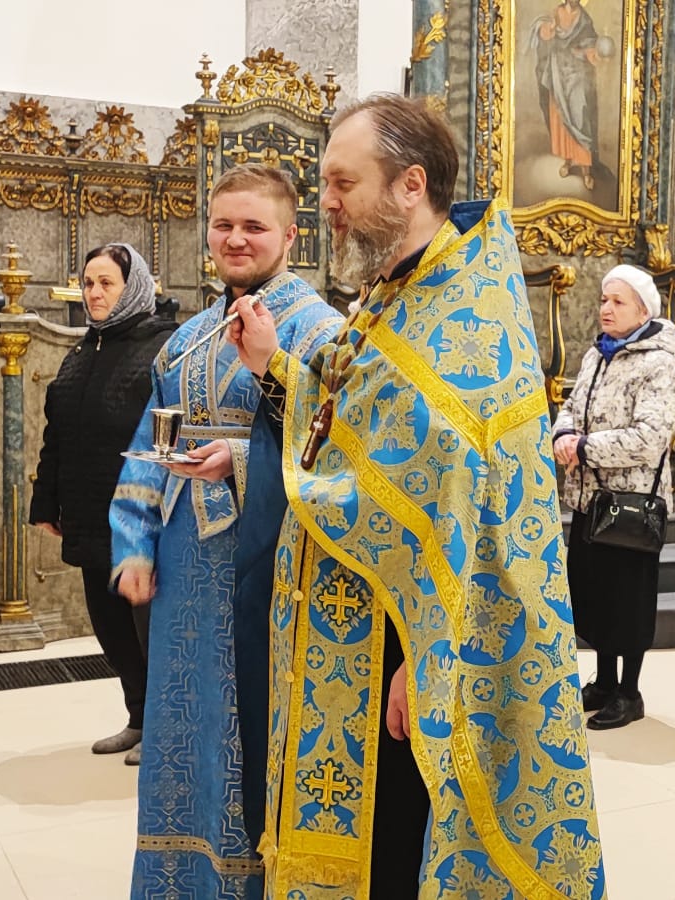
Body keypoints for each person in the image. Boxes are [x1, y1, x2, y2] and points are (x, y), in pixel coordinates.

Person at [229, 93, 606, 898]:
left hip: (405, 647)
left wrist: (426, 657)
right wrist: (279, 367)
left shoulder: (465, 310)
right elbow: (357, 430)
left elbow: (465, 511)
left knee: (398, 847)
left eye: (342, 182)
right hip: (354, 631)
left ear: (410, 185)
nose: (326, 203)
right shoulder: (398, 289)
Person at [110, 164, 340, 900]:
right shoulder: (185, 338)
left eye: (254, 226)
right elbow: (149, 444)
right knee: (183, 731)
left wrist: (239, 459)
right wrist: (133, 545)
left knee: (249, 733)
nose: (236, 239)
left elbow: (339, 453)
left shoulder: (320, 332)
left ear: (291, 235)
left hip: (266, 569)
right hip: (182, 571)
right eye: (223, 225)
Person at [30, 243, 177, 766]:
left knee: (149, 630)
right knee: (111, 629)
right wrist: (46, 500)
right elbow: (57, 434)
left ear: (132, 287)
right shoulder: (81, 351)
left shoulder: (161, 346)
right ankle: (138, 718)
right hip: (89, 513)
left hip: (140, 519)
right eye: (88, 283)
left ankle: (163, 728)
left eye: (106, 283)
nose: (93, 293)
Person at [552, 264, 675, 730]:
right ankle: (605, 682)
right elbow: (571, 406)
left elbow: (650, 437)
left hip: (630, 506)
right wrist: (563, 434)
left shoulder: (660, 364)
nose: (606, 309)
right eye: (604, 300)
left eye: (617, 302)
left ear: (643, 311)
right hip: (590, 501)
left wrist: (584, 448)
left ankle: (630, 693)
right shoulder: (597, 354)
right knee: (596, 597)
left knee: (628, 602)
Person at [532, 0, 608, 191]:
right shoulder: (557, 12)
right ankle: (568, 160)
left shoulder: (584, 19)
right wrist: (545, 31)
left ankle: (586, 170)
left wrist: (592, 53)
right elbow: (547, 34)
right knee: (561, 118)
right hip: (558, 70)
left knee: (580, 116)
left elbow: (591, 43)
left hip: (578, 73)